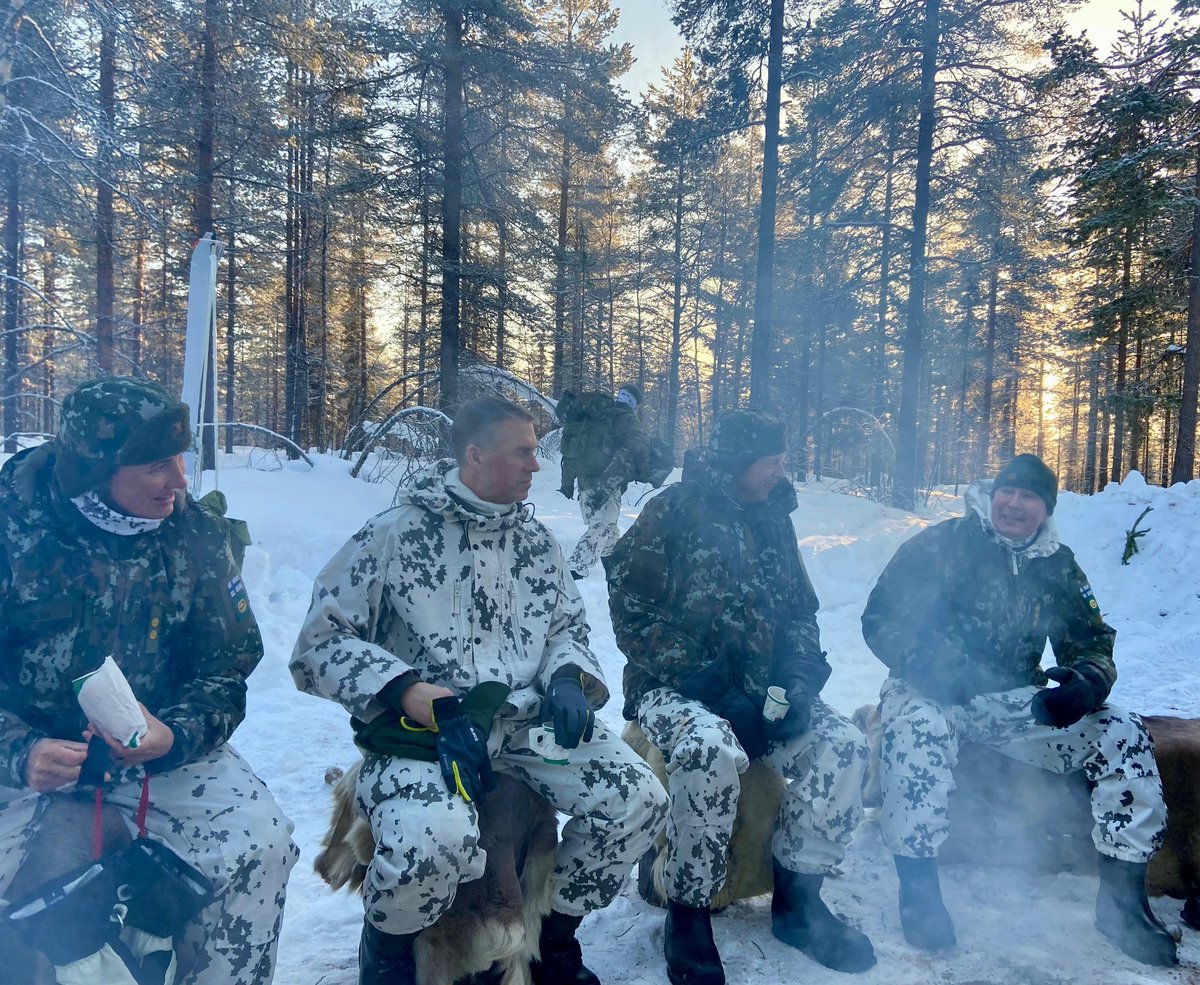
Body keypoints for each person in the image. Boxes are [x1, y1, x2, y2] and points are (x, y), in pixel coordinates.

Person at [291, 395, 667, 985]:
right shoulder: (395, 534)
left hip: (524, 727)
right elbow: (319, 643)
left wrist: (568, 677)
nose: (535, 466)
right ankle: (388, 950)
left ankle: (554, 936)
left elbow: (568, 627)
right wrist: (408, 690)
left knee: (636, 799)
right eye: (522, 452)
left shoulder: (537, 543)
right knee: (430, 839)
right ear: (474, 454)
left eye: (534, 453)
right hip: (427, 731)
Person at [0, 377, 298, 983]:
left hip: (153, 753)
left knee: (260, 844)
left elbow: (227, 662)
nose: (181, 481)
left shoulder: (192, 532)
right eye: (159, 465)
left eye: (181, 459)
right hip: (23, 759)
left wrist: (177, 734)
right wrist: (18, 751)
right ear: (93, 470)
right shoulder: (12, 529)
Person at [861, 453, 1176, 966]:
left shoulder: (1057, 563)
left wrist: (1085, 683)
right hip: (930, 690)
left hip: (1011, 699)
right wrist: (931, 666)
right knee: (916, 730)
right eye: (1008, 490)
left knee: (1121, 730)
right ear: (992, 495)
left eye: (1029, 495)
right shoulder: (941, 545)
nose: (1014, 502)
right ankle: (918, 885)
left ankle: (1121, 902)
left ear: (1045, 509)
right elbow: (881, 619)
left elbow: (1091, 640)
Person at [606, 408, 875, 985]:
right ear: (736, 464)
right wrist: (715, 689)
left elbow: (801, 610)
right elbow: (630, 612)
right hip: (675, 687)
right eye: (770, 462)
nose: (781, 472)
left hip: (765, 690)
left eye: (781, 461)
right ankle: (689, 910)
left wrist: (800, 681)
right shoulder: (671, 511)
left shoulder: (775, 514)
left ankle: (799, 900)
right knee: (711, 753)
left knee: (844, 747)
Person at [558, 383, 654, 580]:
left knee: (608, 526)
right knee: (602, 525)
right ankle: (574, 570)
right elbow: (638, 448)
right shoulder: (626, 419)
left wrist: (567, 483)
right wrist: (645, 472)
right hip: (607, 483)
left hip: (584, 480)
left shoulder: (597, 414)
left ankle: (613, 563)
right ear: (635, 403)